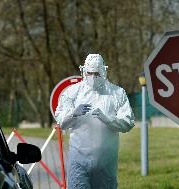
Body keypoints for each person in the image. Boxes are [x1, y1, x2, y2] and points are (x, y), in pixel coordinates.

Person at [55, 54, 135, 189]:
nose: (92, 76)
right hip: (79, 160)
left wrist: (109, 120)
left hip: (106, 161)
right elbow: (61, 121)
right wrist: (73, 114)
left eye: (96, 73)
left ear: (103, 71)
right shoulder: (72, 93)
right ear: (84, 71)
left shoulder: (116, 93)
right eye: (89, 73)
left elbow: (128, 122)